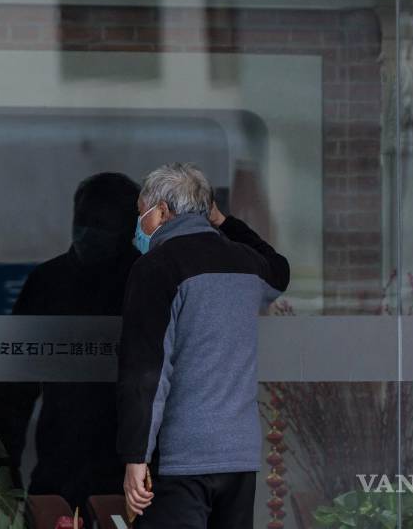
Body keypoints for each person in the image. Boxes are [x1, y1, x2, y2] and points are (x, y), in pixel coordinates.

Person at [116, 162, 290, 529]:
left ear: (162, 211)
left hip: (183, 459)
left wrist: (136, 457)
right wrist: (224, 221)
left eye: (141, 215)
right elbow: (280, 271)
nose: (139, 226)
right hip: (239, 455)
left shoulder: (157, 268)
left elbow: (147, 370)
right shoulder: (248, 263)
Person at [0, 172, 141, 516]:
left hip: (129, 468)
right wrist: (3, 466)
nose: (88, 231)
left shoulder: (146, 282)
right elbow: (14, 386)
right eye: (83, 220)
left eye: (102, 224)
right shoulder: (48, 281)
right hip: (60, 463)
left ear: (129, 229)